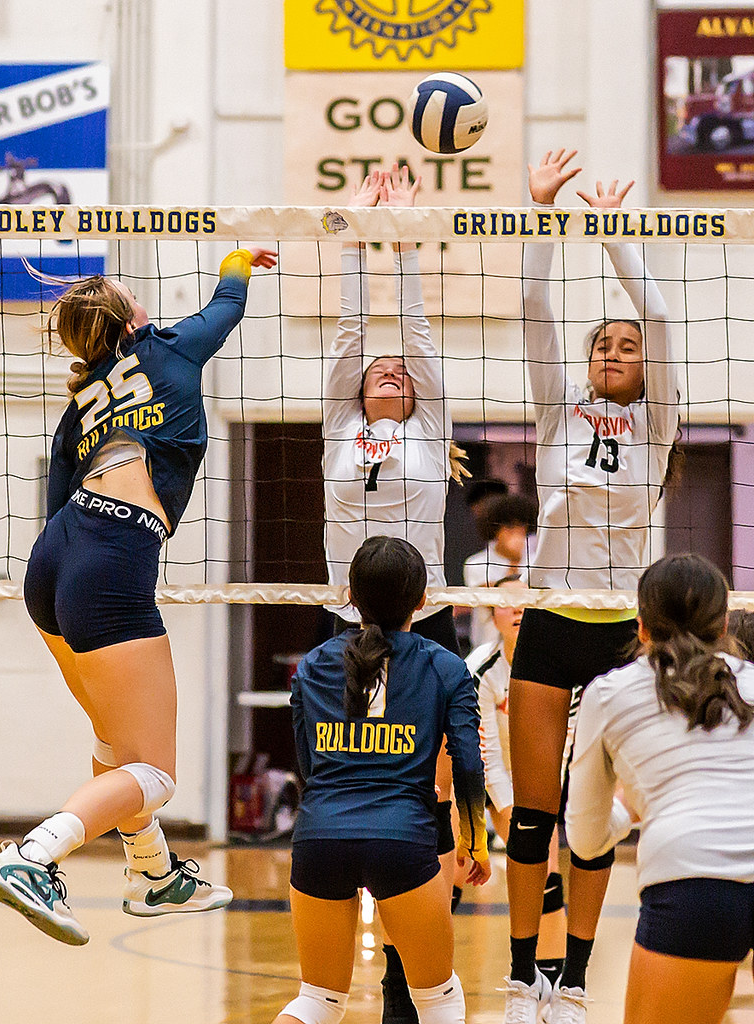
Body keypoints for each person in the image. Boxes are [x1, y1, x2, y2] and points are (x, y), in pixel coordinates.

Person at [0, 245, 278, 945]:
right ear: (130, 319)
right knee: (156, 772)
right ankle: (33, 858)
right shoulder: (169, 349)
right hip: (112, 559)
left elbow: (55, 504)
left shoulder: (79, 405)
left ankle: (154, 874)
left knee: (117, 745)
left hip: (52, 564)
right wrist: (236, 256)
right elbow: (228, 305)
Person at [501, 150, 680, 1024]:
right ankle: (520, 972)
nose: (613, 350)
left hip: (618, 630)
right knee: (532, 814)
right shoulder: (556, 408)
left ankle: (572, 980)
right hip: (548, 619)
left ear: (646, 367)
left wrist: (613, 232)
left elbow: (658, 311)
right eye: (601, 344)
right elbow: (534, 309)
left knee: (591, 820)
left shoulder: (659, 421)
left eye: (625, 347)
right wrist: (541, 212)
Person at [322, 163, 468, 1019]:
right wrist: (349, 229)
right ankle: (327, 973)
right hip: (345, 628)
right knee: (346, 789)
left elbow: (407, 331)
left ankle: (407, 983)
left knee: (422, 792)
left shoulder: (428, 429)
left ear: (417, 396)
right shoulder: (339, 429)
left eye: (401, 373)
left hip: (427, 631)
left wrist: (405, 240)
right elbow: (350, 332)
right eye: (376, 370)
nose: (387, 370)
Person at [275, 535, 490, 1024]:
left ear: (348, 597)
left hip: (319, 838)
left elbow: (307, 767)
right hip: (401, 840)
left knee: (317, 1002)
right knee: (439, 1000)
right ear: (423, 600)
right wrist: (475, 842)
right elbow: (468, 764)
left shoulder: (312, 665)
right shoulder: (446, 667)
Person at [565, 553, 754, 1024]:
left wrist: (627, 811)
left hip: (694, 880)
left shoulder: (609, 694)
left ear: (641, 625)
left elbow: (585, 840)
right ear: (725, 621)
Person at [462, 576, 567, 989]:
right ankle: (415, 982)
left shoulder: (558, 668)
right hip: (483, 782)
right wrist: (507, 808)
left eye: (526, 602)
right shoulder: (478, 669)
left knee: (547, 868)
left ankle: (554, 984)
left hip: (539, 780)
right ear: (491, 613)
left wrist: (537, 805)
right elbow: (483, 753)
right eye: (507, 603)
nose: (518, 610)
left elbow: (564, 745)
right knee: (455, 867)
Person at [462, 492, 537, 648]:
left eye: (521, 525)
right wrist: (514, 559)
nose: (517, 531)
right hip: (488, 646)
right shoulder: (476, 563)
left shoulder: (536, 561)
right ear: (495, 529)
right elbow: (500, 602)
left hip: (528, 645)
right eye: (509, 526)